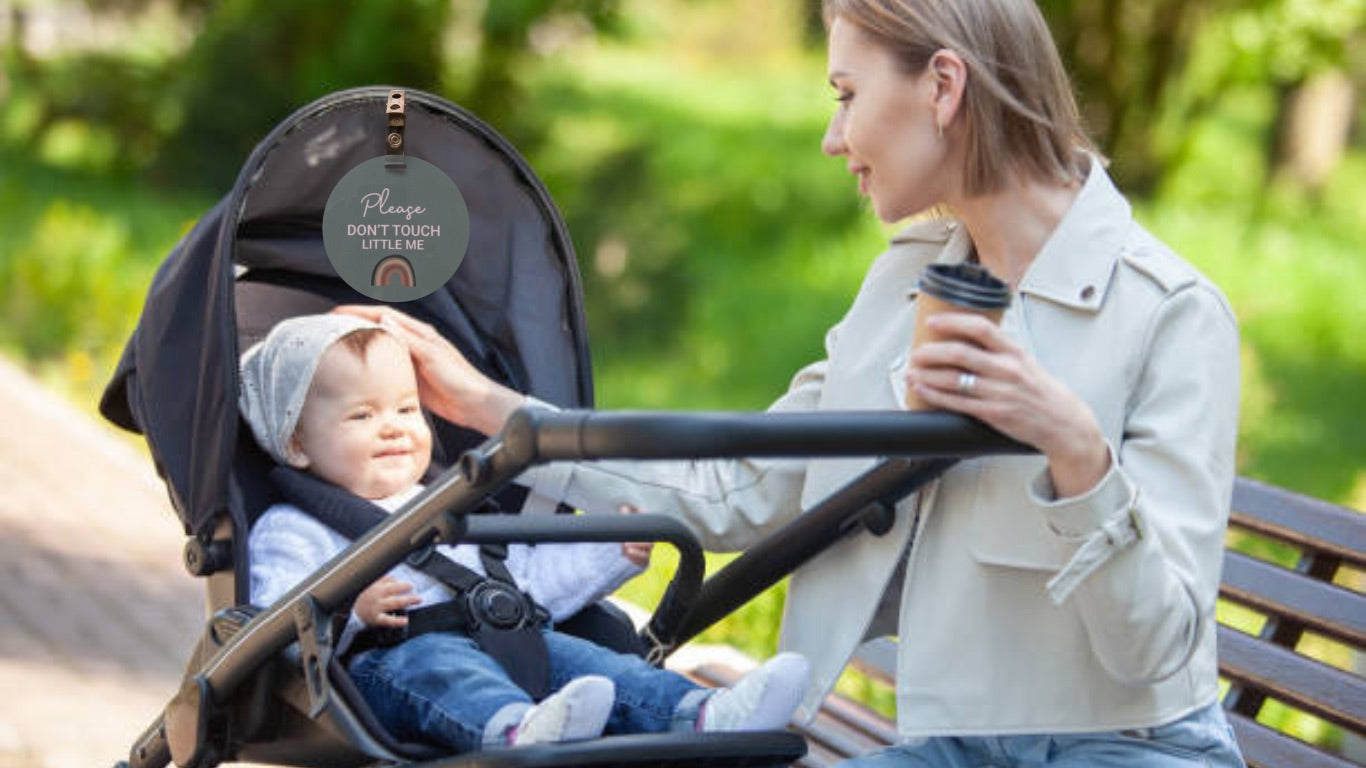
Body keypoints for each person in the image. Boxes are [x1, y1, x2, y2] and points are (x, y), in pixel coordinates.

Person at [338, 0, 1247, 763]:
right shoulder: (908, 283)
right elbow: (747, 485)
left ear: (942, 85)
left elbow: (1155, 656)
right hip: (951, 745)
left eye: (847, 96)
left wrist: (1076, 452)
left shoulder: (1169, 316)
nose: (830, 137)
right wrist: (491, 410)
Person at [240, 313, 811, 754]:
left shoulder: (445, 504)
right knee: (440, 662)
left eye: (407, 409)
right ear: (294, 443)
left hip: (503, 639)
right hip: (380, 674)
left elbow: (522, 584)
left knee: (583, 657)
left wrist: (609, 553)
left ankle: (704, 713)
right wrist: (350, 608)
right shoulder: (295, 528)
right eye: (361, 416)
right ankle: (515, 730)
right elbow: (271, 626)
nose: (392, 428)